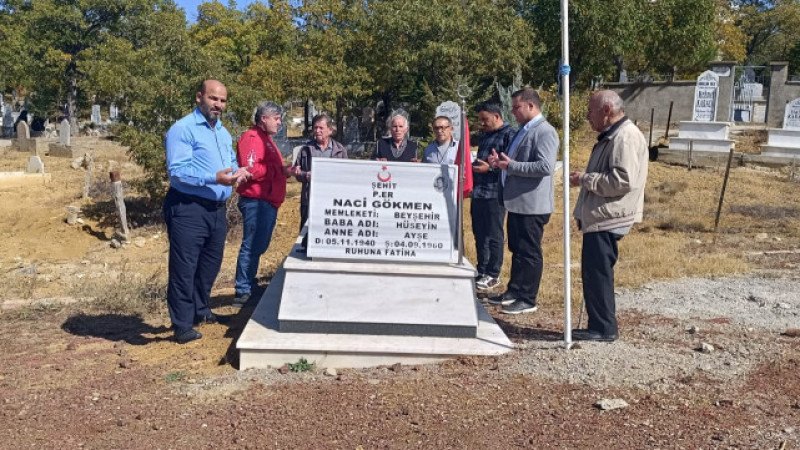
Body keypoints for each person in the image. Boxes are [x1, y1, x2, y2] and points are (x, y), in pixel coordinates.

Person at [163, 79, 251, 344]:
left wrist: (238, 172)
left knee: (209, 265)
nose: (219, 105)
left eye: (223, 101)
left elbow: (230, 162)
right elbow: (177, 172)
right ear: (199, 97)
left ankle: (201, 310)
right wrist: (213, 178)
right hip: (188, 207)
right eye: (214, 99)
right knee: (184, 267)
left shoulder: (222, 132)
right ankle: (182, 324)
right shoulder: (183, 129)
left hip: (216, 209)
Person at [569, 90, 649, 342]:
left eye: (590, 111)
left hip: (609, 216)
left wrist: (585, 179)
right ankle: (599, 325)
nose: (587, 117)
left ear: (606, 110)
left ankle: (604, 328)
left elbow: (622, 180)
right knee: (594, 274)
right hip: (604, 215)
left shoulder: (624, 137)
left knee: (598, 275)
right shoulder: (614, 135)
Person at [487, 87, 559, 315]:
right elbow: (516, 161)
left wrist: (511, 166)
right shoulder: (523, 130)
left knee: (529, 251)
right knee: (517, 248)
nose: (513, 111)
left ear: (531, 106)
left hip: (532, 205)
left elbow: (546, 167)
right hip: (517, 202)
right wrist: (500, 162)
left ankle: (528, 298)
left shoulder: (545, 132)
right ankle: (514, 291)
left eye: (516, 107)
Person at [233, 101, 297, 308]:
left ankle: (249, 283)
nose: (279, 123)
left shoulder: (265, 139)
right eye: (276, 119)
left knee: (259, 244)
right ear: (264, 118)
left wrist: (283, 171)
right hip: (256, 201)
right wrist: (278, 171)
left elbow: (265, 167)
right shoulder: (252, 138)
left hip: (266, 201)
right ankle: (243, 290)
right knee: (251, 244)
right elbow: (250, 169)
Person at [471, 101, 516, 291]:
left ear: (496, 116)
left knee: (494, 233)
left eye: (485, 119)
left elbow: (510, 166)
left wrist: (489, 168)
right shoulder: (485, 136)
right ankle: (481, 269)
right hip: (479, 192)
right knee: (479, 233)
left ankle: (493, 273)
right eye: (480, 120)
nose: (481, 123)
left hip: (495, 193)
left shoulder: (509, 135)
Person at [294, 113, 348, 252]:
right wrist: (306, 175)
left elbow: (346, 175)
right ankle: (306, 250)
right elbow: (296, 172)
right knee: (307, 228)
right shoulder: (306, 149)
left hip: (332, 198)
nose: (317, 131)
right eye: (315, 128)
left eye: (321, 128)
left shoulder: (340, 150)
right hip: (310, 196)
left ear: (330, 130)